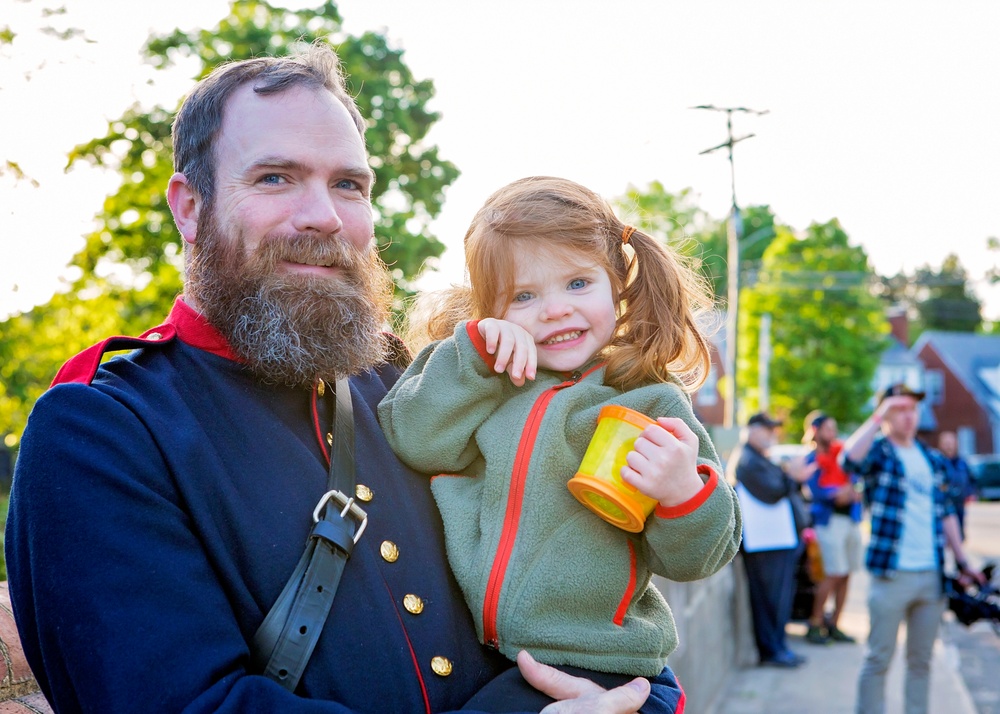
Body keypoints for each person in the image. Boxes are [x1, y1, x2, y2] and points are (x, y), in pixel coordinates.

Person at [4, 45, 656, 714]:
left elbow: (567, 587)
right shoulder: (100, 430)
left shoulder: (401, 385)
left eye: (349, 185)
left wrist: (641, 697)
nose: (326, 216)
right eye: (276, 178)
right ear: (190, 206)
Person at [378, 176, 742, 712]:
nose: (554, 310)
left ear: (617, 282)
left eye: (577, 284)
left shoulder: (650, 402)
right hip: (482, 654)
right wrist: (473, 359)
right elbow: (412, 439)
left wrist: (683, 490)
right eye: (523, 296)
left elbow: (697, 558)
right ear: (488, 309)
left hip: (600, 664)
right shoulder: (486, 383)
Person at [842, 383, 984, 714]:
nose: (908, 416)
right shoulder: (879, 452)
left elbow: (946, 511)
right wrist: (879, 415)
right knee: (878, 659)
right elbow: (848, 460)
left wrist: (963, 562)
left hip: (931, 576)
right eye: (899, 409)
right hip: (892, 575)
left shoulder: (932, 459)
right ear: (886, 413)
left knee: (921, 662)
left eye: (912, 409)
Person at [730, 412, 808, 669]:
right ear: (750, 429)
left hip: (776, 542)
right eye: (766, 428)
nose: (771, 434)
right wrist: (793, 476)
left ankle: (779, 647)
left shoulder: (758, 458)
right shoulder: (748, 460)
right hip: (766, 545)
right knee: (769, 600)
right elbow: (772, 491)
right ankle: (772, 651)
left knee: (779, 599)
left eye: (773, 429)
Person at [801, 411, 862, 645]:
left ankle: (835, 624)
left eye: (834, 428)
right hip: (828, 522)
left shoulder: (843, 455)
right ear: (816, 431)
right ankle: (815, 622)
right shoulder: (811, 459)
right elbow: (817, 492)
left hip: (851, 520)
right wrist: (840, 494)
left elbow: (856, 482)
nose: (833, 433)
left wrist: (849, 492)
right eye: (828, 428)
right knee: (832, 573)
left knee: (846, 574)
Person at [937, 430, 974, 541]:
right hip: (944, 503)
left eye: (951, 442)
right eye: (946, 443)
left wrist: (970, 493)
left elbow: (972, 480)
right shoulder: (937, 462)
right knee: (946, 535)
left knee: (959, 533)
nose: (949, 446)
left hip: (959, 503)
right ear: (941, 444)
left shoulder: (962, 462)